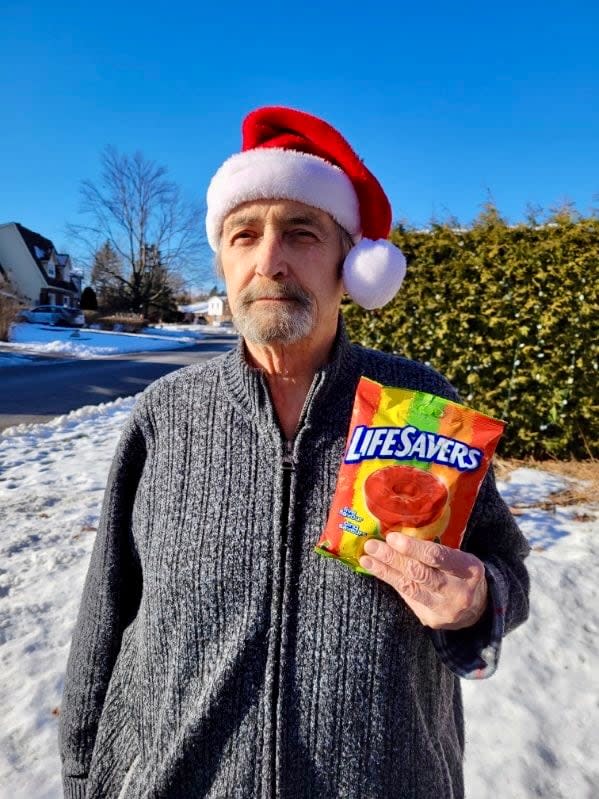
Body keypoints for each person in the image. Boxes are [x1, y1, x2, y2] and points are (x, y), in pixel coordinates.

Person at [59, 107, 530, 799]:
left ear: (349, 266)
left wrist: (477, 601)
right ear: (223, 262)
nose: (269, 260)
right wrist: (80, 770)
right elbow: (107, 610)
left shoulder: (419, 403)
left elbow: (503, 569)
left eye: (301, 233)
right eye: (244, 234)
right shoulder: (165, 414)